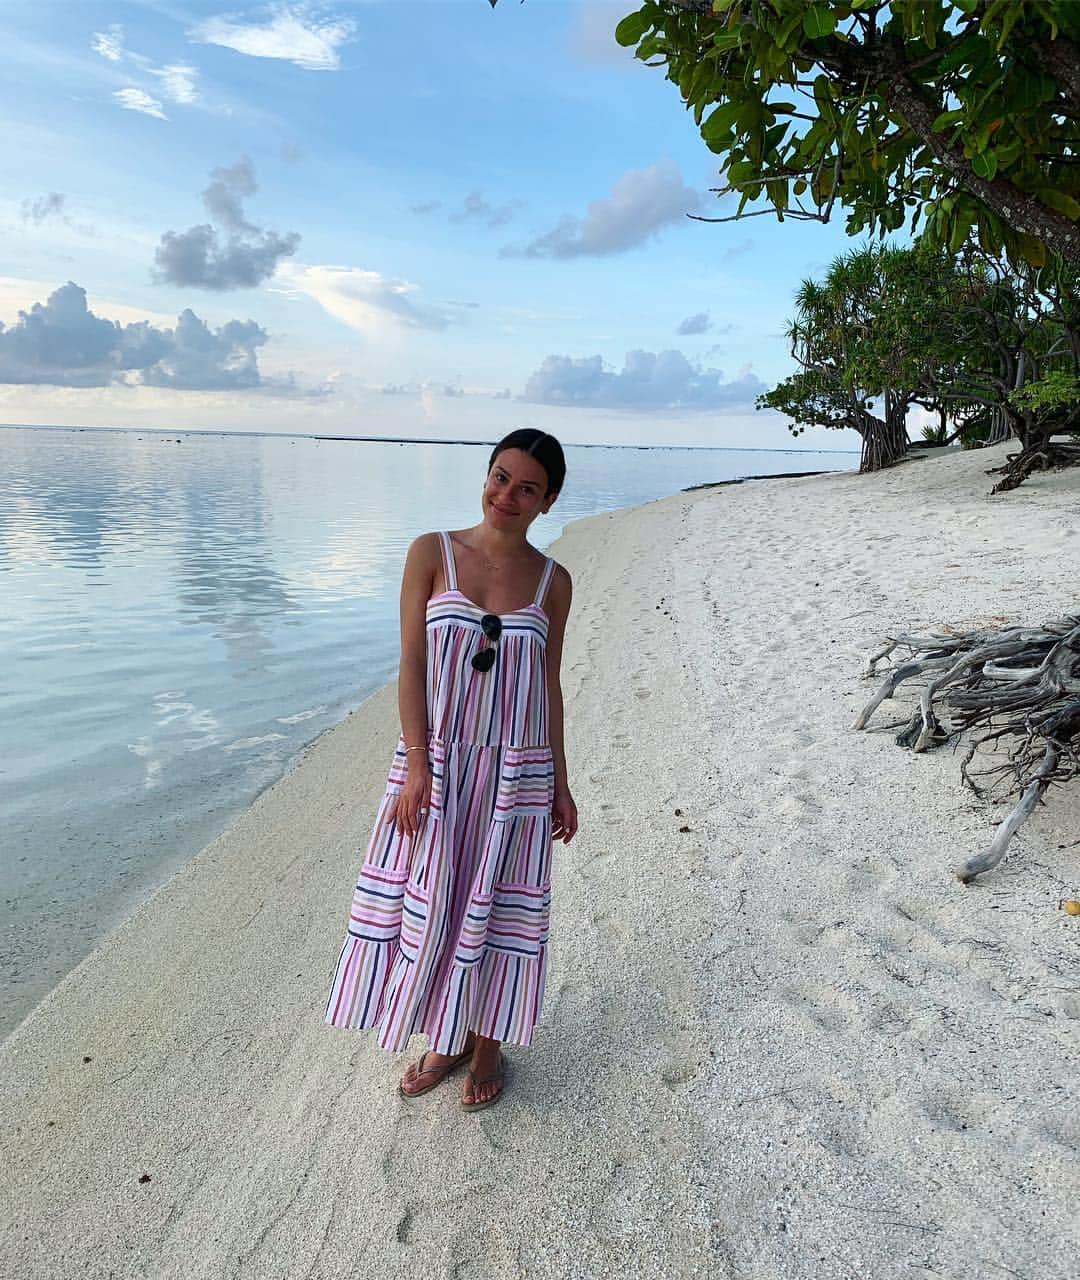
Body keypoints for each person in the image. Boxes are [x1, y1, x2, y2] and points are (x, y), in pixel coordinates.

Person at [324, 429, 578, 1111]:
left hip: (516, 774)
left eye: (527, 487)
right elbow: (409, 664)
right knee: (434, 903)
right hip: (437, 766)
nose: (507, 496)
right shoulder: (431, 553)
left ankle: (487, 1045)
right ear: (486, 476)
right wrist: (415, 765)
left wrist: (560, 781)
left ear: (548, 501)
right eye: (500, 477)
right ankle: (448, 1033)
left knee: (500, 910)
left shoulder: (554, 584)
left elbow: (547, 688)